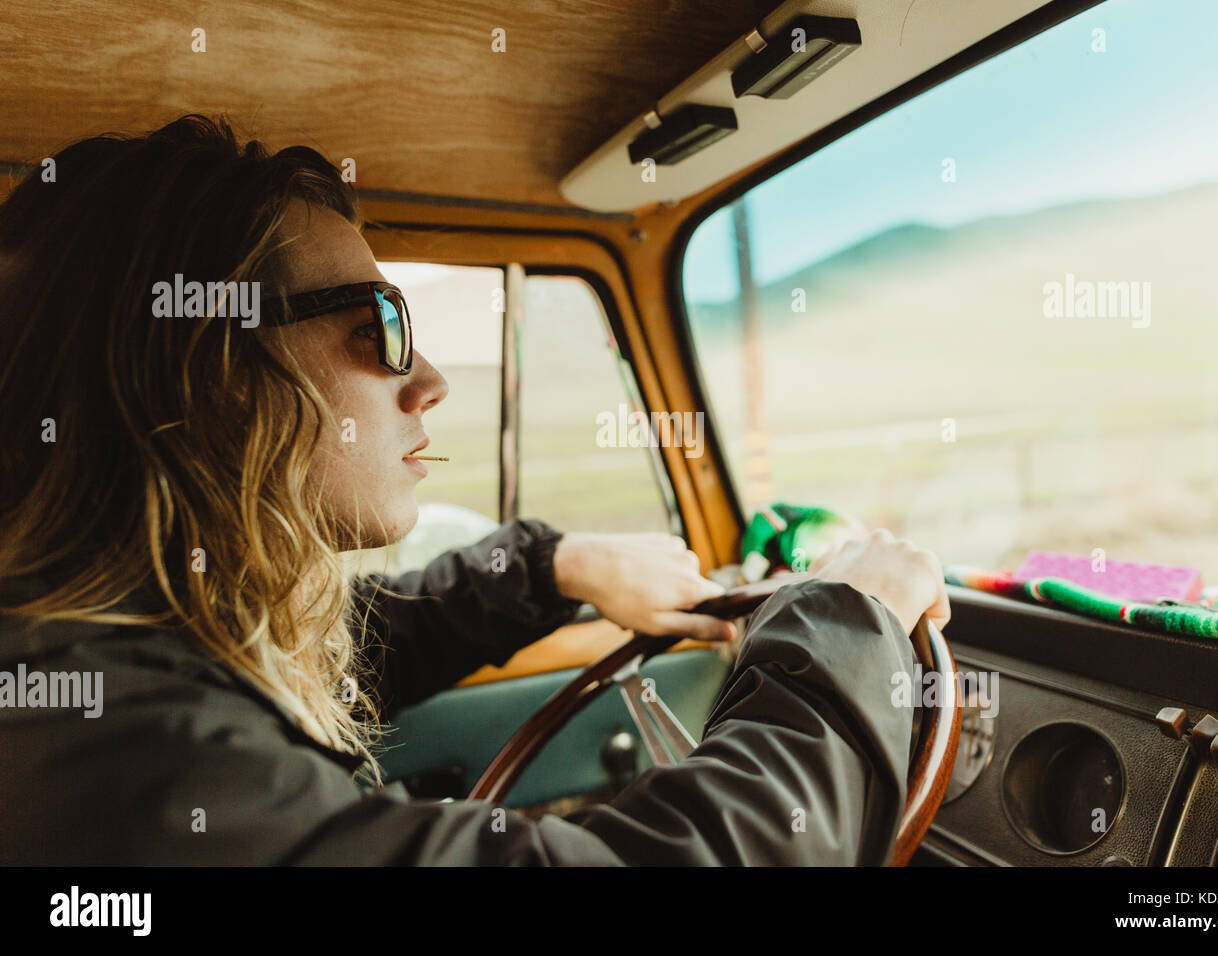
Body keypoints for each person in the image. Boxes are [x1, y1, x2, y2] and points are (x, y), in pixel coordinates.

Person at [0, 115, 949, 865]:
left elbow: (360, 645)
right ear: (205, 372)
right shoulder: (128, 755)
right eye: (380, 325)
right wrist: (844, 623)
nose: (430, 382)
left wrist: (552, 566)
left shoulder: (123, 652)